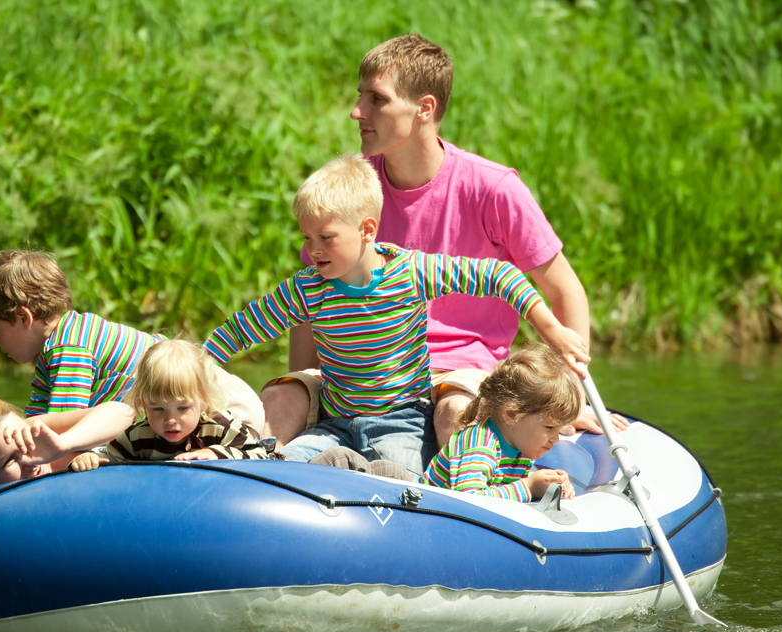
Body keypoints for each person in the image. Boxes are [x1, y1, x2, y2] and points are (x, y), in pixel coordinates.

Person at [260, 33, 626, 448]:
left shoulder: (494, 188)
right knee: (280, 396)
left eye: (376, 99)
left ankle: (461, 494)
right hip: (360, 375)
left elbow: (564, 290)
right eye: (360, 95)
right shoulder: (353, 187)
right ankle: (247, 476)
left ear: (424, 108)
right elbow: (315, 292)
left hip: (461, 371)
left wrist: (570, 400)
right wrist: (310, 386)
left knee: (454, 411)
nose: (356, 111)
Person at [203, 154, 588, 478]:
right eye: (307, 238)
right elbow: (243, 328)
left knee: (401, 485)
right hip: (334, 425)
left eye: (326, 238)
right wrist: (192, 364)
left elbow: (497, 274)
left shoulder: (410, 273)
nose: (313, 250)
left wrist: (551, 328)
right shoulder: (308, 288)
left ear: (367, 229)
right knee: (279, 470)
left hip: (402, 422)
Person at [0, 249, 265, 430]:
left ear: (23, 317)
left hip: (217, 403)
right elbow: (38, 418)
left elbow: (62, 424)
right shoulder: (55, 349)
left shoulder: (68, 346)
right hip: (185, 407)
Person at [73, 339, 272, 468]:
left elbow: (260, 455)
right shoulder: (138, 437)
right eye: (158, 409)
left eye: (182, 408)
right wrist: (87, 459)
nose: (170, 420)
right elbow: (109, 458)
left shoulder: (220, 427)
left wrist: (215, 453)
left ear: (203, 401)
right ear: (143, 404)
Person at [422, 345, 580, 503]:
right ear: (511, 414)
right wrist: (529, 487)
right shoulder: (480, 446)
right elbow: (469, 501)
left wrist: (549, 486)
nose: (555, 439)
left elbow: (502, 492)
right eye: (549, 427)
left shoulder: (521, 444)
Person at [0, 393, 136, 501]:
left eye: (25, 437)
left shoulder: (40, 434)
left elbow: (123, 412)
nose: (30, 458)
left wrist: (64, 443)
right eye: (11, 460)